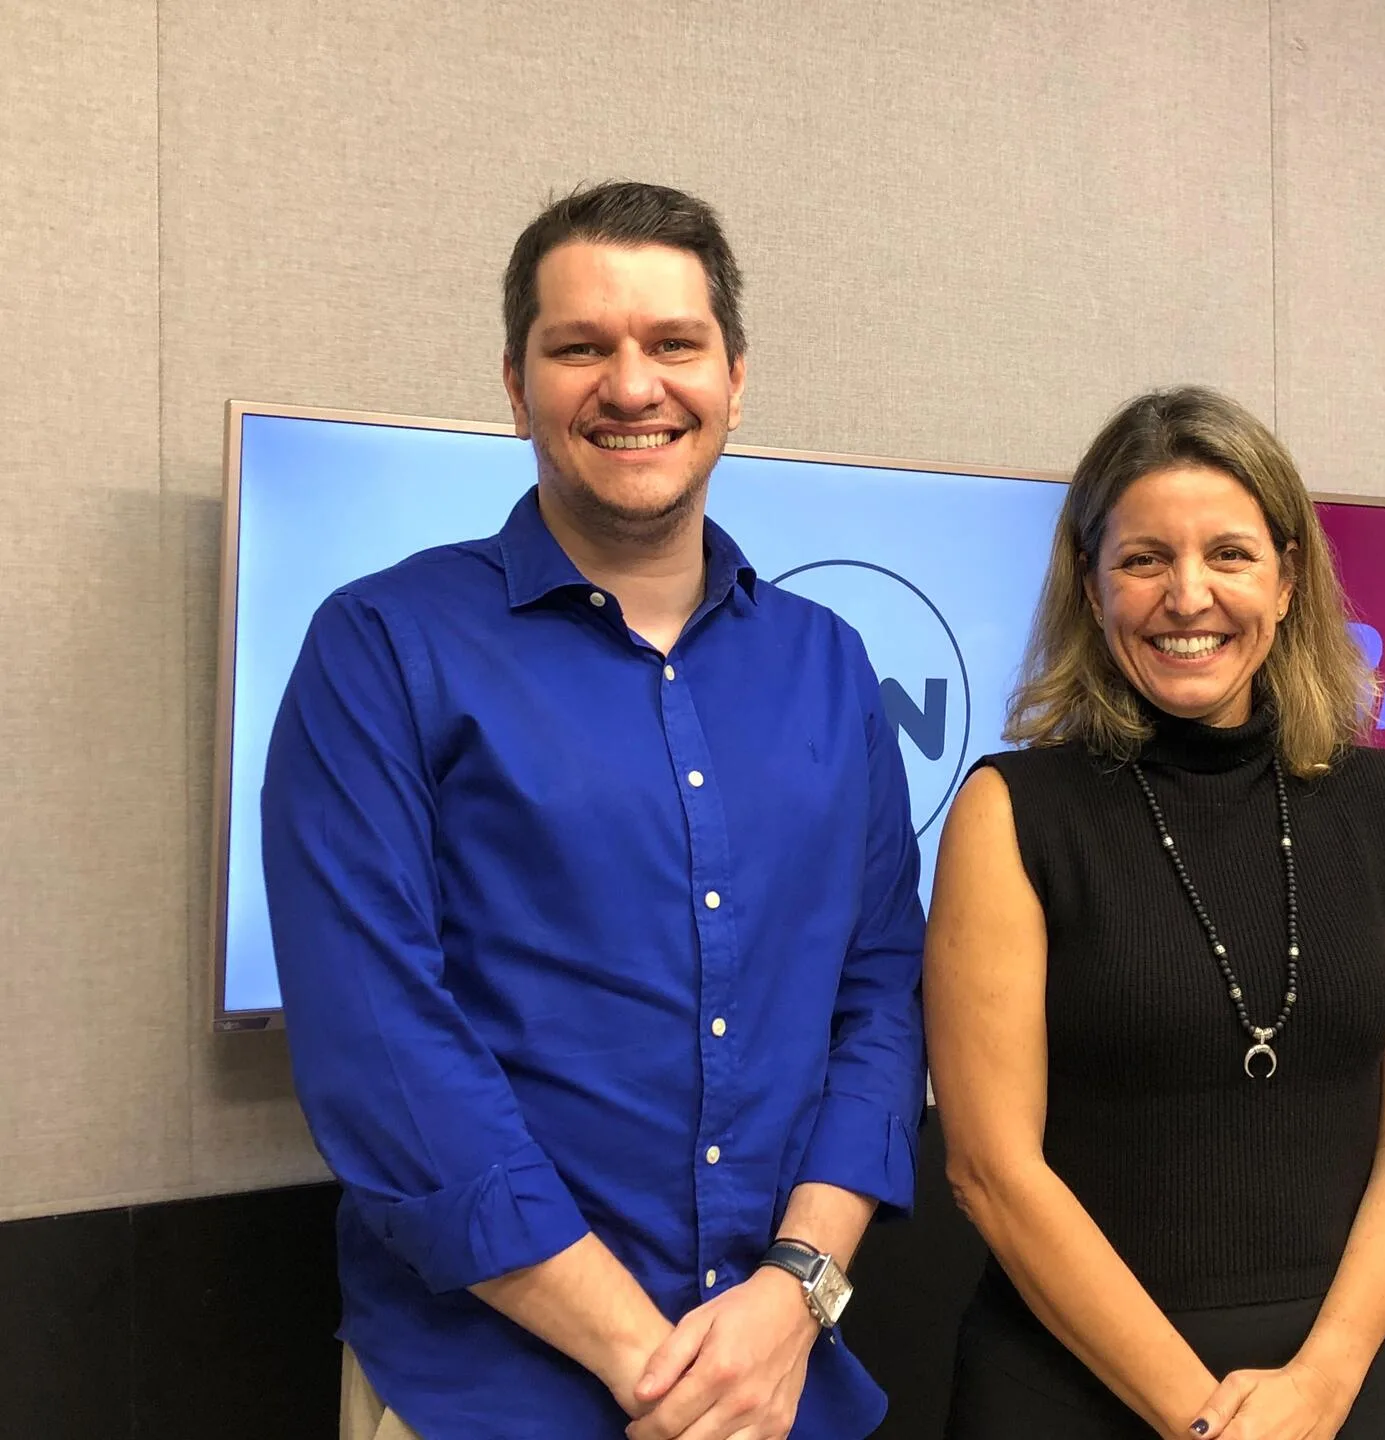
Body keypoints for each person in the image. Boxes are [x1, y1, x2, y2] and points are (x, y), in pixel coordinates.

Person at [261, 182, 926, 1440]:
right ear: (516, 385)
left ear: (734, 375)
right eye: (581, 348)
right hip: (487, 1395)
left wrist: (795, 1293)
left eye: (674, 344)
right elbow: (378, 1046)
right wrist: (655, 1371)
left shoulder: (831, 664)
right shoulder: (383, 647)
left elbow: (880, 1002)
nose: (633, 386)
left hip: (783, 1381)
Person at [925, 387, 1385, 1439]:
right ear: (1090, 585)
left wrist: (1324, 1381)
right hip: (1072, 1383)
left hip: (1333, 1385)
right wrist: (1207, 1423)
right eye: (1142, 560)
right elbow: (992, 1169)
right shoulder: (1013, 814)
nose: (1188, 595)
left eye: (1229, 554)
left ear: (1287, 575)